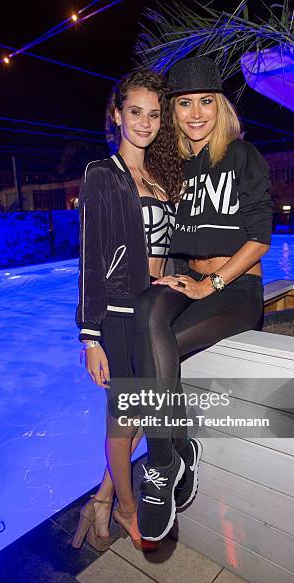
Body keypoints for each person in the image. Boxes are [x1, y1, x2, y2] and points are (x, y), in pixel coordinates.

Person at [133, 56, 273, 541]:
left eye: (206, 102)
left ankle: (163, 460)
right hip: (188, 280)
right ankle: (170, 454)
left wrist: (209, 285)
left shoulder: (242, 155)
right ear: (174, 111)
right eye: (185, 104)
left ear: (221, 106)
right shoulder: (176, 167)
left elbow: (259, 238)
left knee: (150, 353)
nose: (195, 114)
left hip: (233, 290)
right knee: (146, 310)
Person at [72, 69, 183, 552]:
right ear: (117, 115)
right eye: (134, 112)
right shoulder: (102, 174)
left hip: (154, 313)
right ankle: (127, 507)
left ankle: (100, 498)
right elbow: (90, 255)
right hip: (118, 316)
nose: (144, 122)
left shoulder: (161, 177)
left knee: (139, 419)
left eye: (154, 114)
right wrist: (89, 337)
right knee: (123, 424)